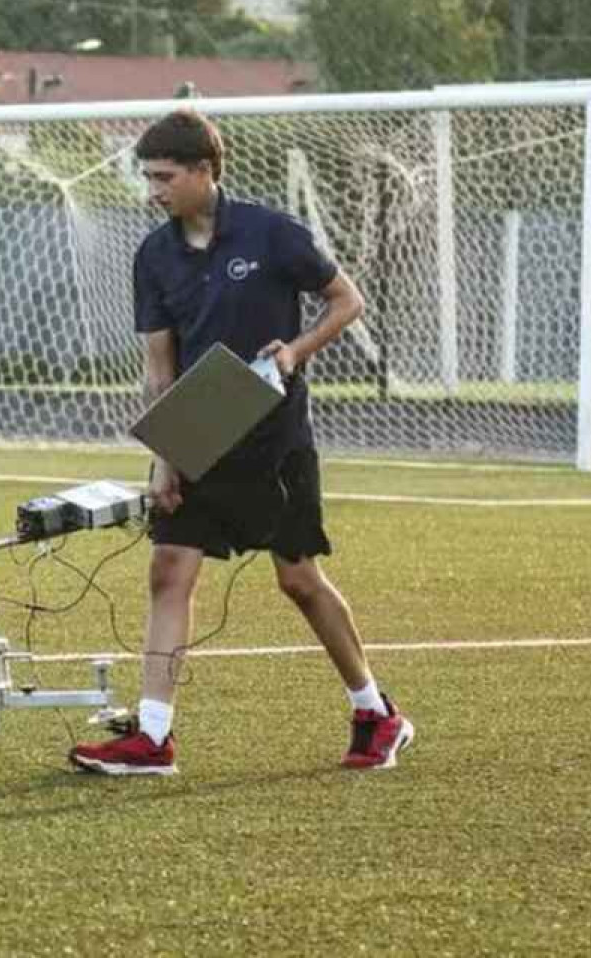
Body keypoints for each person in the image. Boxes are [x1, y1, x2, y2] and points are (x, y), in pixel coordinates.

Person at [68, 108, 413, 777]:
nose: (153, 191)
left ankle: (376, 712)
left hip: (274, 439)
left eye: (164, 176)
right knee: (169, 569)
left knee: (299, 580)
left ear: (204, 170)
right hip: (198, 431)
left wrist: (297, 349)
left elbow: (347, 301)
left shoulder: (272, 232)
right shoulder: (153, 255)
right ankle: (153, 736)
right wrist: (164, 456)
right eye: (147, 178)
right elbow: (159, 369)